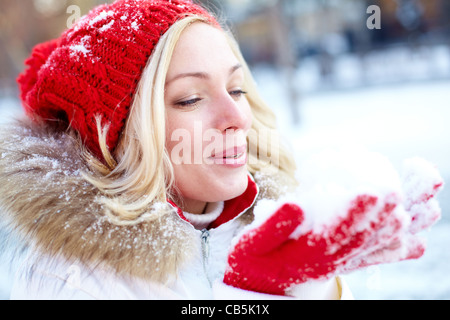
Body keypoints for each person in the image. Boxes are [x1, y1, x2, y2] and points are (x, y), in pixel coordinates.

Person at [0, 0, 442, 300]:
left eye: (236, 88)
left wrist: (319, 289)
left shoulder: (270, 221)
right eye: (190, 98)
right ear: (114, 136)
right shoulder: (67, 280)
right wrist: (246, 299)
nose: (238, 117)